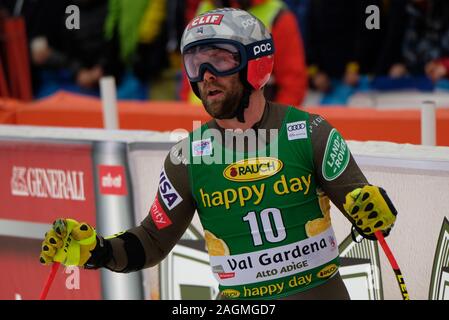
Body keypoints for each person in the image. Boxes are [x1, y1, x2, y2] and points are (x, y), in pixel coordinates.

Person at [39, 8, 398, 300]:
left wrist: (377, 210)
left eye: (219, 61)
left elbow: (366, 211)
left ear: (255, 63)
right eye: (195, 64)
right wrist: (98, 251)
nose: (206, 76)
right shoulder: (186, 158)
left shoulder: (310, 132)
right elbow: (151, 241)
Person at [180, 0, 308, 107]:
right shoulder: (205, 8)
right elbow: (189, 72)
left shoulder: (277, 16)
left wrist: (275, 127)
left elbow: (293, 84)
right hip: (199, 117)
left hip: (253, 125)